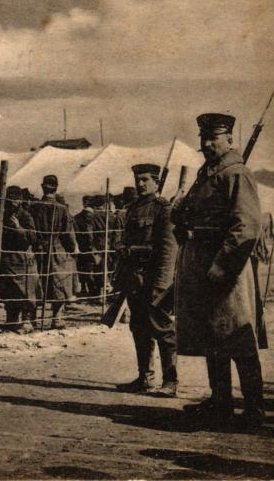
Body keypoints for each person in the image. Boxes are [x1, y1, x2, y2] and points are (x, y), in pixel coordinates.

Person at [172, 113, 264, 428]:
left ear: (230, 139)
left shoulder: (236, 174)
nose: (208, 144)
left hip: (227, 270)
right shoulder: (207, 174)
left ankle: (254, 411)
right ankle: (220, 403)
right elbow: (187, 216)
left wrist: (223, 266)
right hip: (202, 265)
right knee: (212, 336)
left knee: (237, 336)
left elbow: (247, 226)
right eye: (203, 138)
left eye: (214, 137)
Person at [113, 164, 178, 397]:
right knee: (139, 329)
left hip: (154, 279)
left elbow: (168, 250)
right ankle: (145, 378)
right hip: (134, 279)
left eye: (145, 180)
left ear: (156, 182)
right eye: (137, 180)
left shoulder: (163, 209)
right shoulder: (132, 208)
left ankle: (170, 381)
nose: (140, 184)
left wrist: (161, 284)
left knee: (163, 329)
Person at [32, 175, 77, 329]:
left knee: (37, 281)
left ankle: (32, 318)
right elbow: (68, 232)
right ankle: (56, 318)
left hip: (38, 248)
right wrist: (73, 248)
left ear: (42, 187)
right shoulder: (62, 209)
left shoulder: (34, 206)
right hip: (57, 247)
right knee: (60, 282)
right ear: (56, 188)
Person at [0, 186, 38, 333]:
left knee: (25, 291)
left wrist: (18, 227)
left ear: (20, 200)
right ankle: (11, 320)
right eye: (10, 198)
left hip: (21, 258)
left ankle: (26, 321)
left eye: (15, 198)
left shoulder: (25, 215)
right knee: (10, 291)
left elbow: (33, 237)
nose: (12, 201)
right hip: (7, 258)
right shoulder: (3, 214)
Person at [73, 196, 96, 297]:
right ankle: (92, 289)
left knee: (82, 268)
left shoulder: (76, 217)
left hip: (81, 246)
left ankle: (83, 288)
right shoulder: (95, 217)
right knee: (92, 268)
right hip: (92, 247)